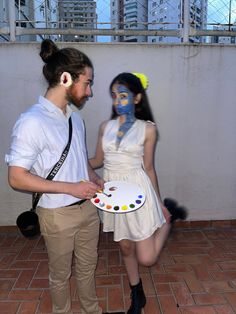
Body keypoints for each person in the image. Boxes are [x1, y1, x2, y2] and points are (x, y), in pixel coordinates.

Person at [5, 39, 119, 314]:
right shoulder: (32, 121)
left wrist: (94, 178)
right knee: (59, 275)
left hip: (89, 210)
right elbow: (17, 178)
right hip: (56, 215)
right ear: (66, 79)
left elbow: (79, 161)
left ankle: (91, 310)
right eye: (87, 82)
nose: (90, 91)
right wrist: (70, 188)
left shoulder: (74, 119)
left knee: (87, 267)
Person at [89, 72, 185, 314]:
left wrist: (160, 204)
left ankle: (167, 221)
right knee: (124, 247)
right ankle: (137, 292)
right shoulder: (104, 127)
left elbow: (149, 168)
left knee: (147, 259)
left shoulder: (148, 129)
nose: (117, 101)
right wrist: (74, 162)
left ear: (137, 98)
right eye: (114, 96)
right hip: (112, 194)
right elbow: (98, 160)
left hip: (138, 193)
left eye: (123, 95)